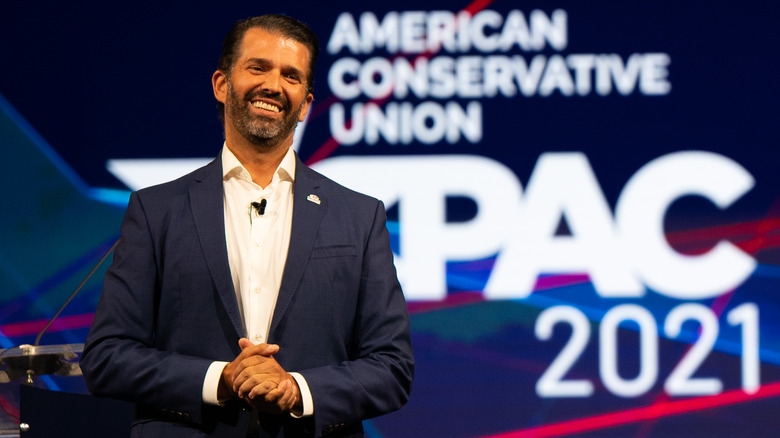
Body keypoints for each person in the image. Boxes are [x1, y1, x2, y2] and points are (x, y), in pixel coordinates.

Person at [80, 14, 414, 438]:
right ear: (222, 84)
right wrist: (220, 379)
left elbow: (393, 367)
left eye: (291, 76)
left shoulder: (359, 217)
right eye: (258, 67)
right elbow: (107, 357)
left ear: (306, 104)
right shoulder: (157, 210)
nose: (273, 85)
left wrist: (298, 389)